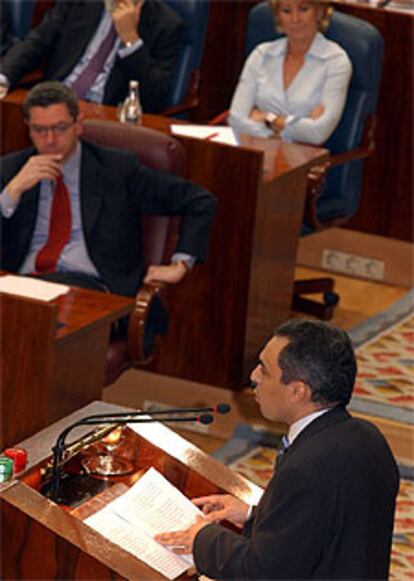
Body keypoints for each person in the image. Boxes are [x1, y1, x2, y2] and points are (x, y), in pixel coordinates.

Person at [156, 319, 400, 579]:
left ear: (297, 391)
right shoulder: (368, 438)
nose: (254, 377)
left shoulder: (306, 468)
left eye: (264, 370)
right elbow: (319, 526)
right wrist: (253, 516)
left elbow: (262, 571)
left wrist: (201, 537)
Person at [0, 81, 216, 323]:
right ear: (28, 129)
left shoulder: (116, 170)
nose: (50, 139)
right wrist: (12, 192)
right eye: (39, 130)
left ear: (78, 125)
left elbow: (199, 200)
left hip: (91, 290)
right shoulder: (12, 171)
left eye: (60, 128)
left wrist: (180, 265)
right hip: (22, 287)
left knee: (38, 333)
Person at [0, 0, 183, 112]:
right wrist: (3, 77)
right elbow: (37, 41)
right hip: (54, 102)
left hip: (105, 117)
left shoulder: (165, 24)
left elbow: (156, 96)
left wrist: (131, 41)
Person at [228, 0, 352, 145]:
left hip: (304, 162)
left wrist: (268, 118)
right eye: (286, 11)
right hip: (255, 154)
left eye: (303, 9)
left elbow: (318, 133)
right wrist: (280, 135)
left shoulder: (336, 61)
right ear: (278, 16)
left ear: (319, 12)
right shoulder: (261, 55)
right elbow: (236, 118)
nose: (295, 19)